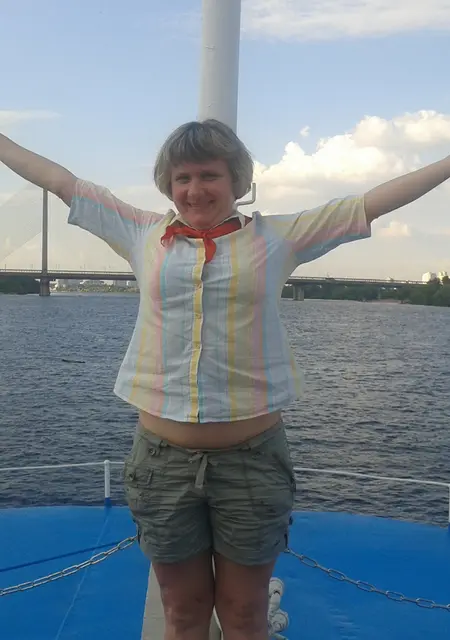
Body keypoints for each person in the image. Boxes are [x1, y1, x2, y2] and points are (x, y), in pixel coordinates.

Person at [1, 121, 449, 640]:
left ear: (237, 180)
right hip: (162, 464)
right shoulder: (142, 233)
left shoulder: (277, 239)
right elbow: (60, 181)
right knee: (182, 613)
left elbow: (368, 205)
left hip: (251, 462)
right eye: (182, 177)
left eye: (208, 175)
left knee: (244, 614)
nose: (194, 190)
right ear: (168, 185)